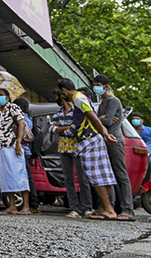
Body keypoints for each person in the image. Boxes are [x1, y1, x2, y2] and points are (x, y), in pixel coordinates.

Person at [58, 78, 118, 221]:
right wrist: (104, 134)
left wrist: (104, 133)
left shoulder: (78, 98)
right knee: (102, 174)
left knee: (96, 175)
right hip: (93, 138)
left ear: (63, 91)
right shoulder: (81, 98)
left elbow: (93, 118)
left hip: (90, 139)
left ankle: (109, 209)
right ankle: (104, 207)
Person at [93, 74, 135, 221]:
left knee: (121, 174)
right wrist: (101, 119)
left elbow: (108, 122)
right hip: (105, 141)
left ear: (105, 86)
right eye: (94, 84)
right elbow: (100, 122)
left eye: (97, 84)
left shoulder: (113, 101)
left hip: (114, 140)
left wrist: (102, 119)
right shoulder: (103, 103)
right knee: (108, 176)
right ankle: (110, 208)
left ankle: (128, 210)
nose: (95, 87)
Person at [51, 89, 93, 218]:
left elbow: (75, 130)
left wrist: (61, 130)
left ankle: (87, 207)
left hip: (77, 148)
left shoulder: (76, 111)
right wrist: (66, 129)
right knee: (68, 180)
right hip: (63, 149)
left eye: (56, 96)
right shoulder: (57, 113)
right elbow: (52, 129)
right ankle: (74, 208)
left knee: (83, 179)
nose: (55, 99)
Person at [0, 88, 30, 215]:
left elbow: (21, 124)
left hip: (12, 145)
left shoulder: (13, 108)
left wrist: (19, 142)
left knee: (19, 174)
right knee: (5, 176)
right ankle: (12, 206)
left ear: (7, 97)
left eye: (1, 95)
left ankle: (26, 206)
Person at [13, 97, 40, 214]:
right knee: (26, 177)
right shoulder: (27, 118)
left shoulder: (22, 119)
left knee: (26, 178)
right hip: (25, 151)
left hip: (23, 151)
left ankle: (32, 203)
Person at [132, 112, 151, 178]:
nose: (135, 120)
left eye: (137, 119)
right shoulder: (131, 132)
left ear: (142, 121)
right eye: (133, 119)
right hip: (139, 160)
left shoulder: (150, 130)